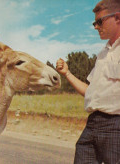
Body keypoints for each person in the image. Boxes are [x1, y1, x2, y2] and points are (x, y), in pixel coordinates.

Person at [56, 0, 120, 163]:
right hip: (93, 123)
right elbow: (90, 91)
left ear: (118, 18)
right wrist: (67, 73)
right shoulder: (102, 54)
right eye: (94, 23)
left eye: (99, 21)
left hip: (115, 124)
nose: (96, 27)